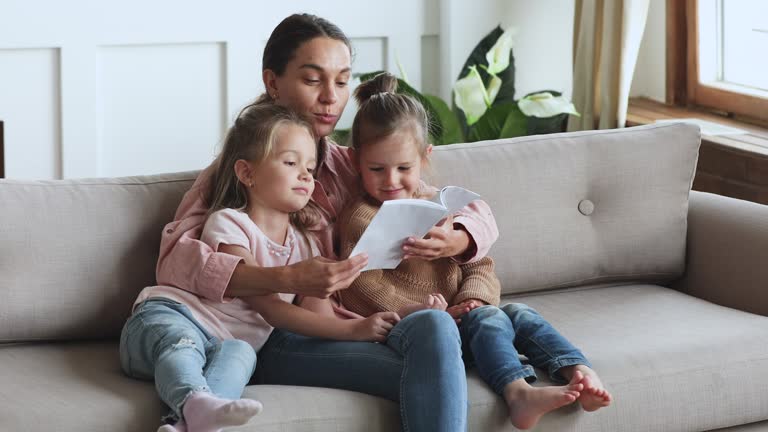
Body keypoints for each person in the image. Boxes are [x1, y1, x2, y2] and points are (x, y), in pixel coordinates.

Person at [150, 13, 501, 432]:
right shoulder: (240, 169)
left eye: (341, 80)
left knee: (439, 331)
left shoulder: (354, 164)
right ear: (273, 82)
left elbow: (449, 202)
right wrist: (289, 277)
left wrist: (459, 237)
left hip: (344, 322)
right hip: (277, 334)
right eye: (313, 80)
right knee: (437, 366)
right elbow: (176, 260)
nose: (331, 98)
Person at [336, 72, 613, 430]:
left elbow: (481, 265)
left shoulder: (442, 207)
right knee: (492, 319)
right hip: (421, 334)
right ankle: (518, 393)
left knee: (517, 313)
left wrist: (473, 300)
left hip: (466, 319)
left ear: (425, 157)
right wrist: (422, 311)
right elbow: (359, 287)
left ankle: (580, 371)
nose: (391, 181)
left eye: (403, 168)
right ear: (356, 161)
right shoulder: (361, 217)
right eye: (377, 169)